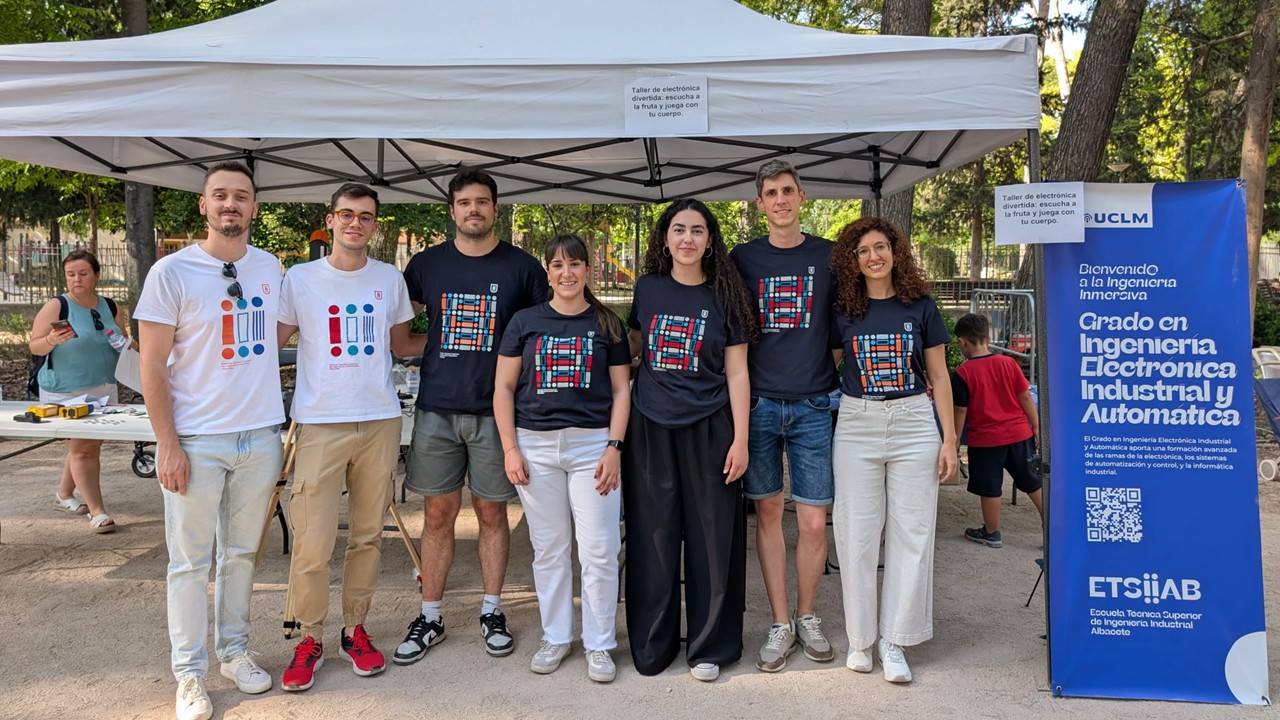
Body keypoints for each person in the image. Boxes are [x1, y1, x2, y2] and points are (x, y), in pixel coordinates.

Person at [136, 161, 283, 720]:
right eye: (219, 196)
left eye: (240, 197)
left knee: (243, 555)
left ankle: (235, 653)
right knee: (189, 563)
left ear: (254, 207)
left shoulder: (271, 268)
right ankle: (189, 674)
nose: (230, 205)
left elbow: (280, 336)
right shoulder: (171, 273)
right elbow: (151, 365)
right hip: (196, 440)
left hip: (260, 436)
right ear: (203, 205)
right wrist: (166, 444)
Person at [395, 167, 549, 664]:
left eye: (482, 202)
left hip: (495, 412)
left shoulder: (523, 268)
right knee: (437, 515)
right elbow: (400, 334)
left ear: (495, 209)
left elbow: (542, 334)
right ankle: (431, 614)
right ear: (453, 210)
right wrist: (432, 345)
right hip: (438, 407)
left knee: (491, 513)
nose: (474, 210)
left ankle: (490, 610)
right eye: (465, 203)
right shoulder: (425, 265)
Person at [275, 183, 416, 691]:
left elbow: (402, 346)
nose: (356, 223)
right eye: (346, 215)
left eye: (366, 216)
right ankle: (308, 637)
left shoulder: (389, 278)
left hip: (379, 419)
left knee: (367, 537)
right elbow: (270, 343)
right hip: (320, 422)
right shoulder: (299, 278)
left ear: (375, 224)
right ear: (330, 220)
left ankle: (354, 629)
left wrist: (467, 337)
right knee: (312, 540)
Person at [623, 198, 755, 682]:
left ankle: (710, 647)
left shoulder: (728, 294)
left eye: (698, 230)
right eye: (678, 229)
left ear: (710, 240)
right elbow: (636, 345)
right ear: (665, 238)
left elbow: (739, 373)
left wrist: (741, 439)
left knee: (712, 539)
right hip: (650, 426)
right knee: (652, 537)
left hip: (712, 427)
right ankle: (652, 645)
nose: (687, 239)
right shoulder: (648, 288)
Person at [493, 234, 632, 683]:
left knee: (600, 549)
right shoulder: (524, 321)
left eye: (575, 264)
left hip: (593, 446)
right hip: (535, 447)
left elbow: (620, 390)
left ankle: (599, 643)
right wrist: (511, 447)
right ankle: (556, 635)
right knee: (549, 549)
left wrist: (614, 448)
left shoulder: (607, 323)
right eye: (557, 265)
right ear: (547, 272)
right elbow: (503, 389)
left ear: (588, 270)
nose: (566, 273)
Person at [829, 216, 957, 684]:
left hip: (914, 424)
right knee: (856, 534)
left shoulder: (920, 305)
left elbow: (939, 376)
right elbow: (832, 364)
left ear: (895, 251)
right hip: (858, 422)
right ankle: (861, 639)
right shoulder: (843, 307)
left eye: (880, 247)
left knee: (913, 533)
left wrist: (949, 438)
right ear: (854, 260)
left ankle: (895, 640)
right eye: (863, 251)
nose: (873, 256)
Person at [729, 160, 838, 671]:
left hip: (815, 403)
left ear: (802, 196)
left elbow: (844, 329)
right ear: (760, 204)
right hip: (760, 404)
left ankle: (808, 614)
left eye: (788, 191)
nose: (780, 200)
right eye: (770, 193)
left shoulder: (830, 255)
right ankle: (780, 622)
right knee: (768, 513)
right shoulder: (741, 258)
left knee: (814, 521)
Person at [28, 249, 129, 533]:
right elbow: (35, 345)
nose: (77, 279)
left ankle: (63, 495)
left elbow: (121, 341)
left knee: (87, 445)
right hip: (65, 390)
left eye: (83, 274)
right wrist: (51, 339)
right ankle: (97, 512)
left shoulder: (110, 306)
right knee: (83, 449)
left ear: (96, 275)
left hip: (105, 384)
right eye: (71, 274)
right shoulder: (57, 306)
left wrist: (128, 348)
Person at [950, 312, 1043, 548]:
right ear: (988, 336)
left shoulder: (963, 374)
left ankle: (992, 532)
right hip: (1019, 434)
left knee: (990, 487)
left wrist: (954, 441)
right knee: (1032, 482)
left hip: (986, 441)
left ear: (962, 342)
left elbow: (960, 411)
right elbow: (1025, 396)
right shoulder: (1008, 363)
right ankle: (1055, 530)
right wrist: (1036, 425)